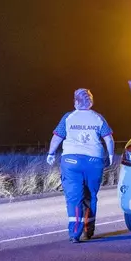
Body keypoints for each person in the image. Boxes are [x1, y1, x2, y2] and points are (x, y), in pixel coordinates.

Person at [47, 89, 115, 243]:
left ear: (76, 101)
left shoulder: (68, 117)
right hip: (94, 162)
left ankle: (74, 233)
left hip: (71, 162)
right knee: (90, 196)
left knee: (74, 198)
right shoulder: (98, 118)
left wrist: (51, 154)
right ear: (91, 101)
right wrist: (110, 156)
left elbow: (57, 137)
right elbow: (109, 139)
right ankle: (88, 230)